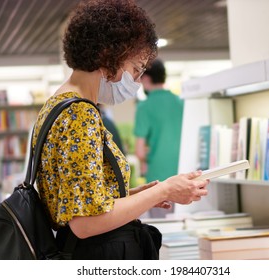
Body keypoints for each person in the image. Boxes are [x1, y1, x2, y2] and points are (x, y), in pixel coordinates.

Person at [32, 0, 208, 260]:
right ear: (109, 57)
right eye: (135, 70)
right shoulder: (79, 114)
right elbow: (86, 223)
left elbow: (81, 200)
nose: (136, 83)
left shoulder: (59, 104)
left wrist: (141, 196)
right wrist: (165, 190)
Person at [134, 58, 184, 218]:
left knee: (162, 230)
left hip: (158, 178)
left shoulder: (144, 106)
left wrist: (149, 155)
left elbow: (140, 151)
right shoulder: (180, 102)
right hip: (183, 173)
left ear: (146, 79)